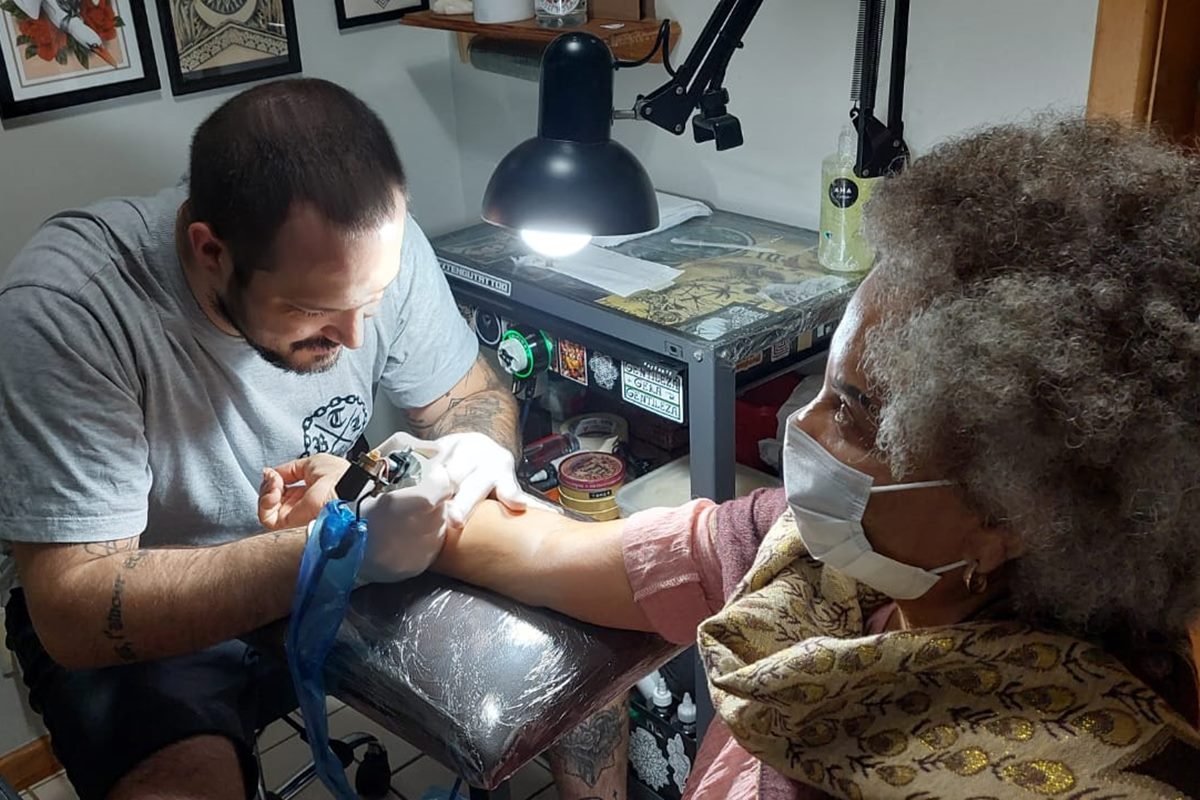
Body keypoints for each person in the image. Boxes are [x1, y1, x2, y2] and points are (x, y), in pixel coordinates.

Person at [266, 118, 1200, 798]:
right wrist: (376, 500)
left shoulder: (1091, 772)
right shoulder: (798, 556)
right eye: (827, 383)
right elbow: (545, 553)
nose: (803, 426)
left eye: (861, 416)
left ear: (1017, 511)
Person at [0, 78, 532, 800]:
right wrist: (335, 551)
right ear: (211, 251)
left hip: (334, 558)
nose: (352, 340)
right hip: (152, 604)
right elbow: (73, 609)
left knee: (577, 688)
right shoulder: (71, 307)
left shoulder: (378, 248)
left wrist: (475, 445)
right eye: (315, 311)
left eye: (368, 304)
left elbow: (471, 396)